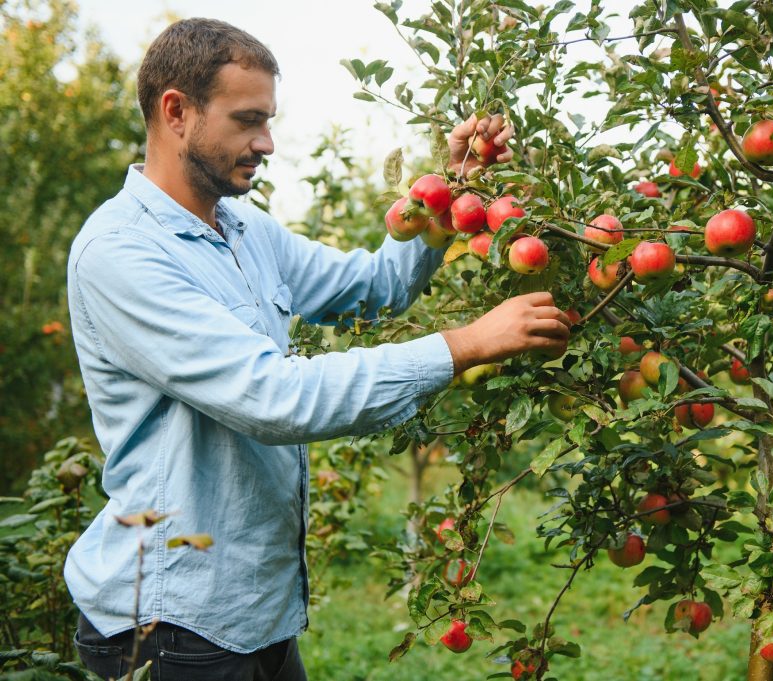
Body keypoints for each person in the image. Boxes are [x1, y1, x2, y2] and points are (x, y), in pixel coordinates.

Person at [65, 17, 570, 681]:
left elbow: (373, 287)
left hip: (256, 613)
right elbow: (276, 398)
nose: (266, 142)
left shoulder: (244, 229)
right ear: (176, 111)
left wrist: (450, 190)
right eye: (248, 120)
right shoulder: (122, 254)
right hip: (172, 624)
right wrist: (467, 343)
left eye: (268, 119)